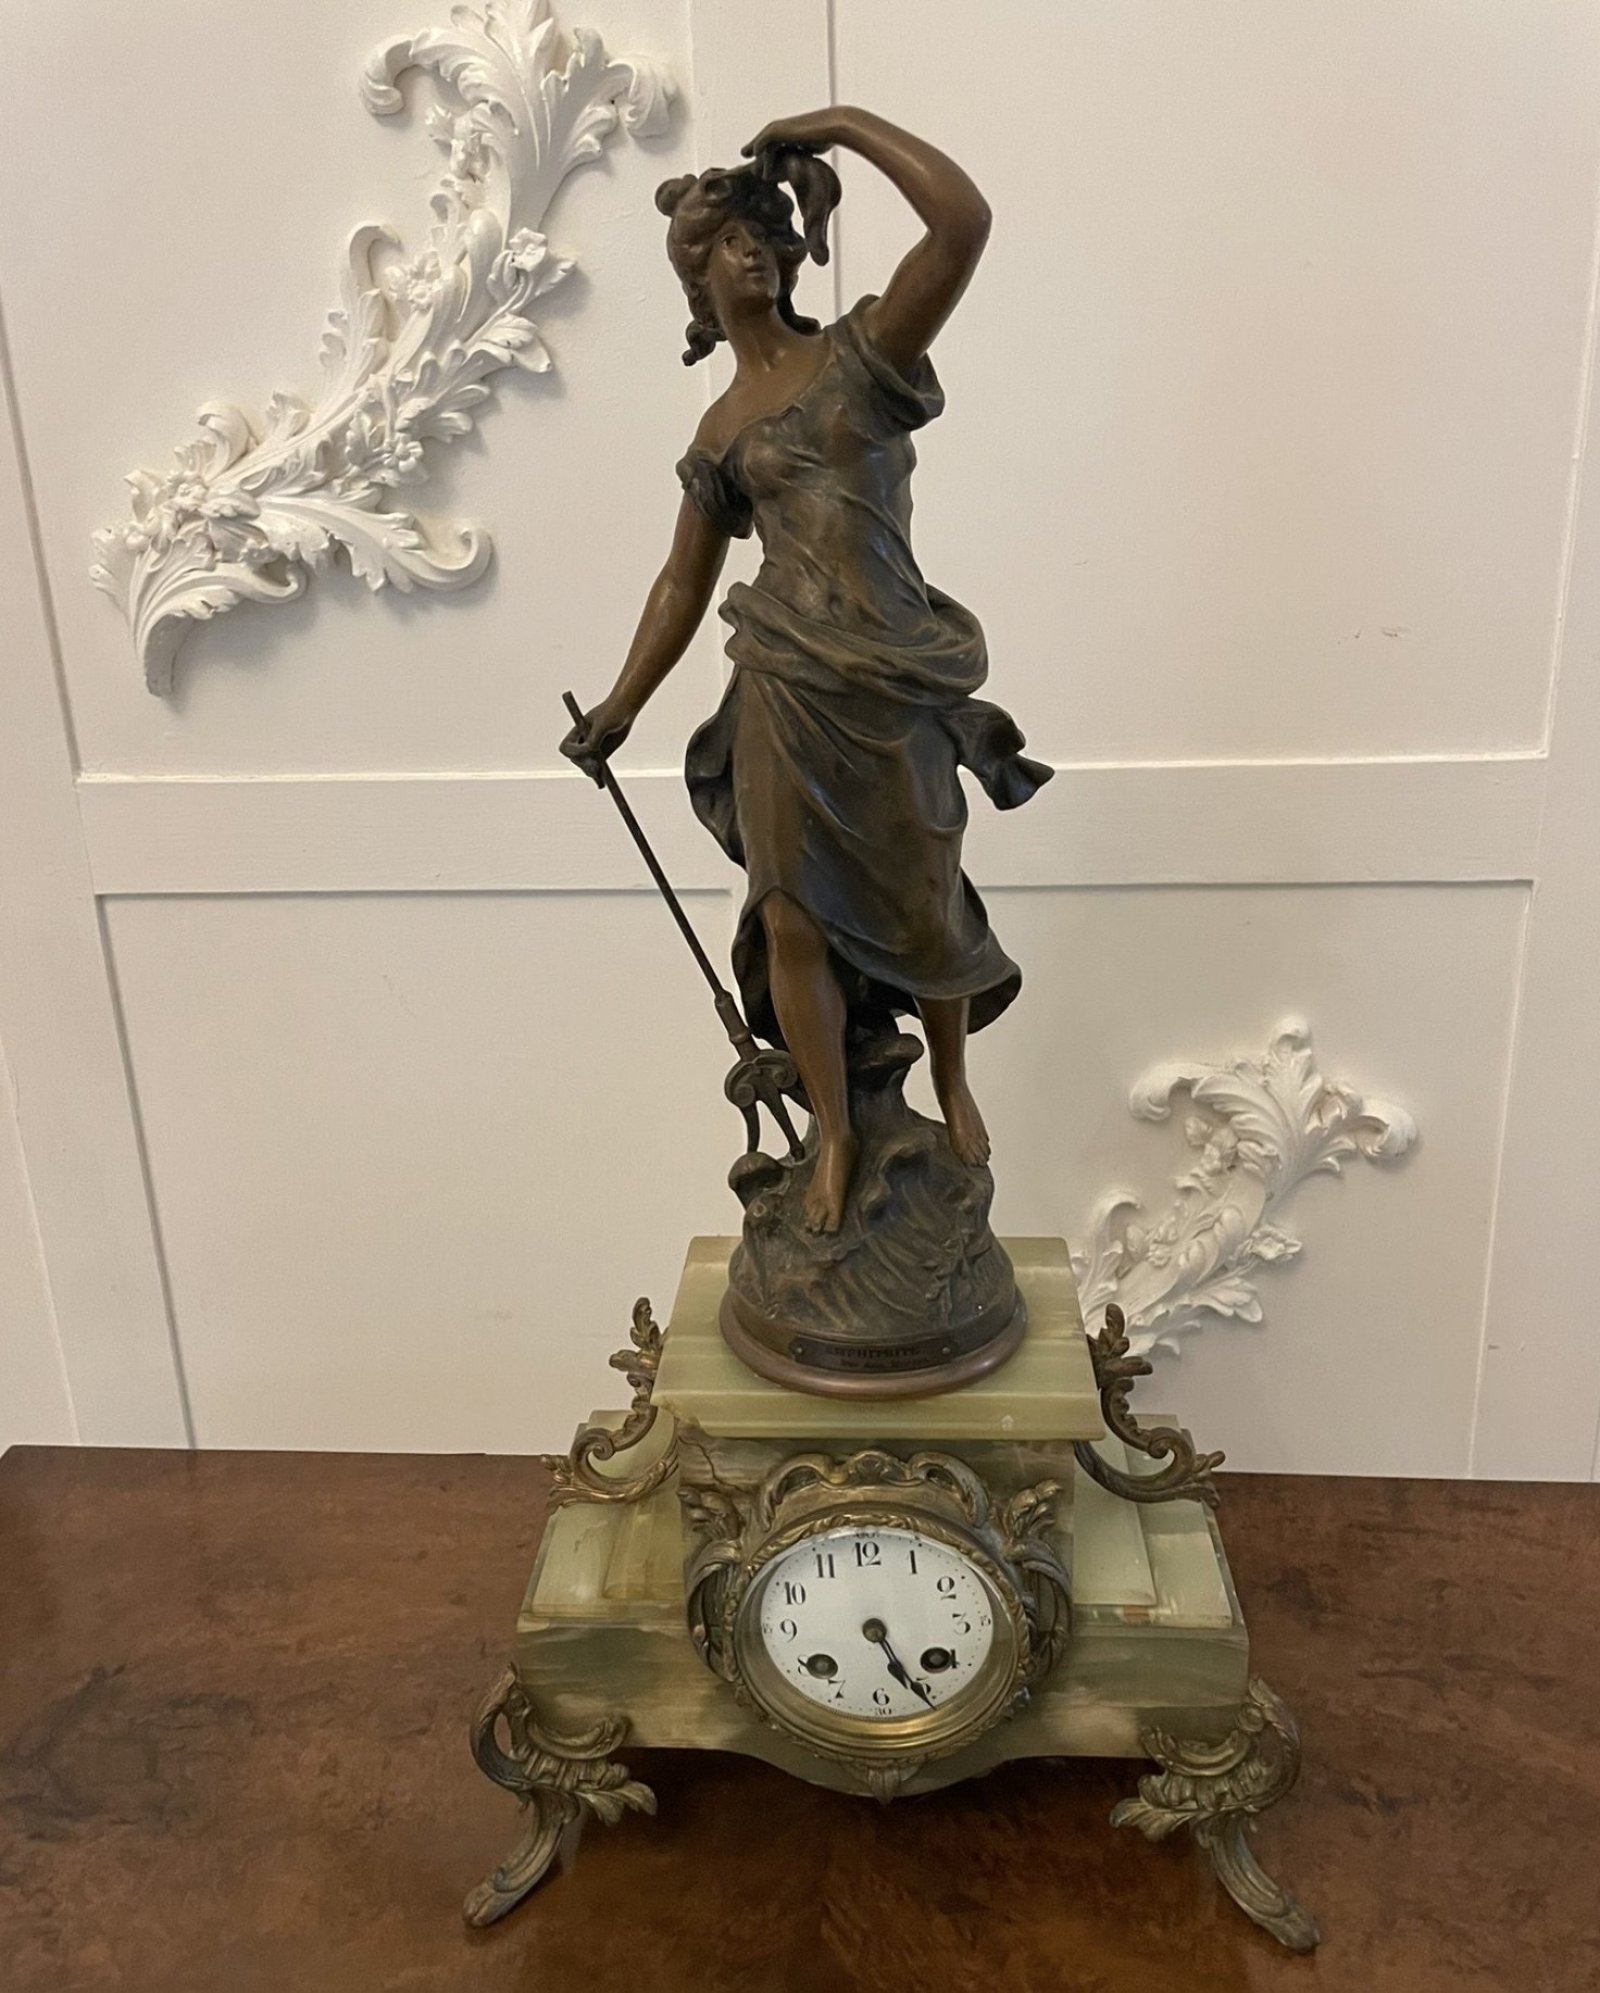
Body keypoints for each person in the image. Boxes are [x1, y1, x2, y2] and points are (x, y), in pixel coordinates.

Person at [562, 107, 1050, 1236]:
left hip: (891, 674)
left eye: (758, 237)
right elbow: (681, 582)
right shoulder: (721, 430)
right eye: (723, 243)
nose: (748, 253)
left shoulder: (866, 355)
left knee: (926, 902)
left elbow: (962, 223)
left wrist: (840, 127)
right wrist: (621, 708)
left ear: (786, 256)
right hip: (782, 684)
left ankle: (952, 1079)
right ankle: (834, 1135)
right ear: (698, 282)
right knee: (790, 920)